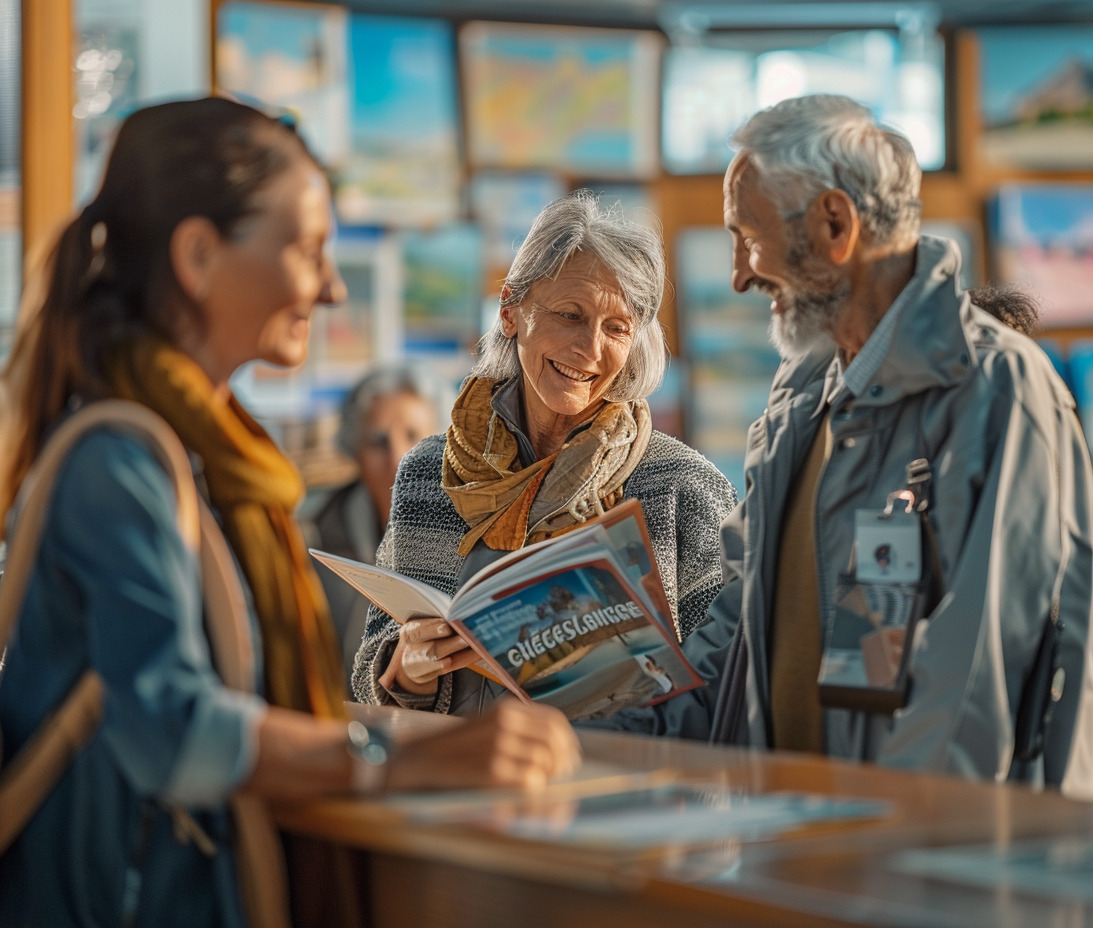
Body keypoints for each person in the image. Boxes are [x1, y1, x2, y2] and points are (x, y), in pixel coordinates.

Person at [0, 97, 578, 928]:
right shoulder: (119, 461)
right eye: (308, 249)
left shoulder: (223, 460)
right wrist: (391, 756)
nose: (333, 285)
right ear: (199, 255)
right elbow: (174, 728)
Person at [606, 94, 1093, 801]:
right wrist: (584, 741)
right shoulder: (801, 396)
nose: (739, 275)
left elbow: (975, 688)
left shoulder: (997, 387)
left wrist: (879, 858)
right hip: (797, 846)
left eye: (747, 237)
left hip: (932, 870)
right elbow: (734, 647)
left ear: (834, 225)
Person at [353, 192, 737, 716]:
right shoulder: (430, 472)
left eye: (617, 328)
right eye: (570, 315)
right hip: (462, 777)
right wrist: (411, 668)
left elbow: (725, 681)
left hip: (614, 783)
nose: (591, 348)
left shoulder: (683, 487)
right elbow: (374, 663)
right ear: (511, 311)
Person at [301, 365, 442, 692]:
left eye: (413, 437)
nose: (397, 458)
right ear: (355, 451)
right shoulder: (310, 537)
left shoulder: (474, 528)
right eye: (378, 442)